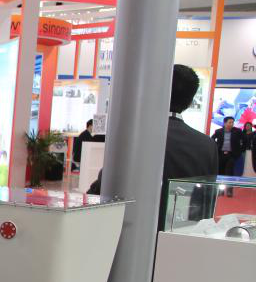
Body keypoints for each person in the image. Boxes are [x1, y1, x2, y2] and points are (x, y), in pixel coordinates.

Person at [88, 65, 216, 227]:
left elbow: (104, 186)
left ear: (156, 92)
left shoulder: (133, 137)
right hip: (180, 232)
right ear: (190, 101)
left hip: (130, 229)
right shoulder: (206, 145)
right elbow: (205, 202)